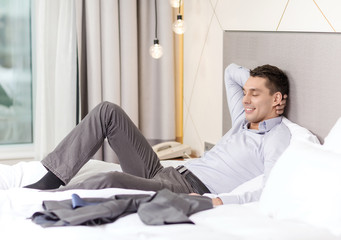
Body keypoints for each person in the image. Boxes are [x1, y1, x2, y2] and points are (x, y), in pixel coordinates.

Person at [25, 63, 290, 206]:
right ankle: (51, 180)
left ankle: (42, 202)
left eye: (254, 94)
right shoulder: (243, 119)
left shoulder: (276, 138)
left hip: (185, 188)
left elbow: (271, 188)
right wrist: (256, 80)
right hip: (165, 171)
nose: (245, 99)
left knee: (110, 178)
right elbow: (230, 71)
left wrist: (220, 201)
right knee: (108, 111)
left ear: (277, 99)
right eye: (245, 92)